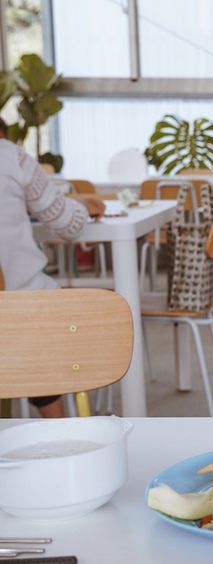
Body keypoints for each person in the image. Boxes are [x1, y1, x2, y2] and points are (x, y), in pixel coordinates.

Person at [0, 125, 106, 417]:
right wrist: (81, 206)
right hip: (19, 316)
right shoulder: (11, 156)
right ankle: (59, 428)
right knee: (39, 311)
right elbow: (69, 225)